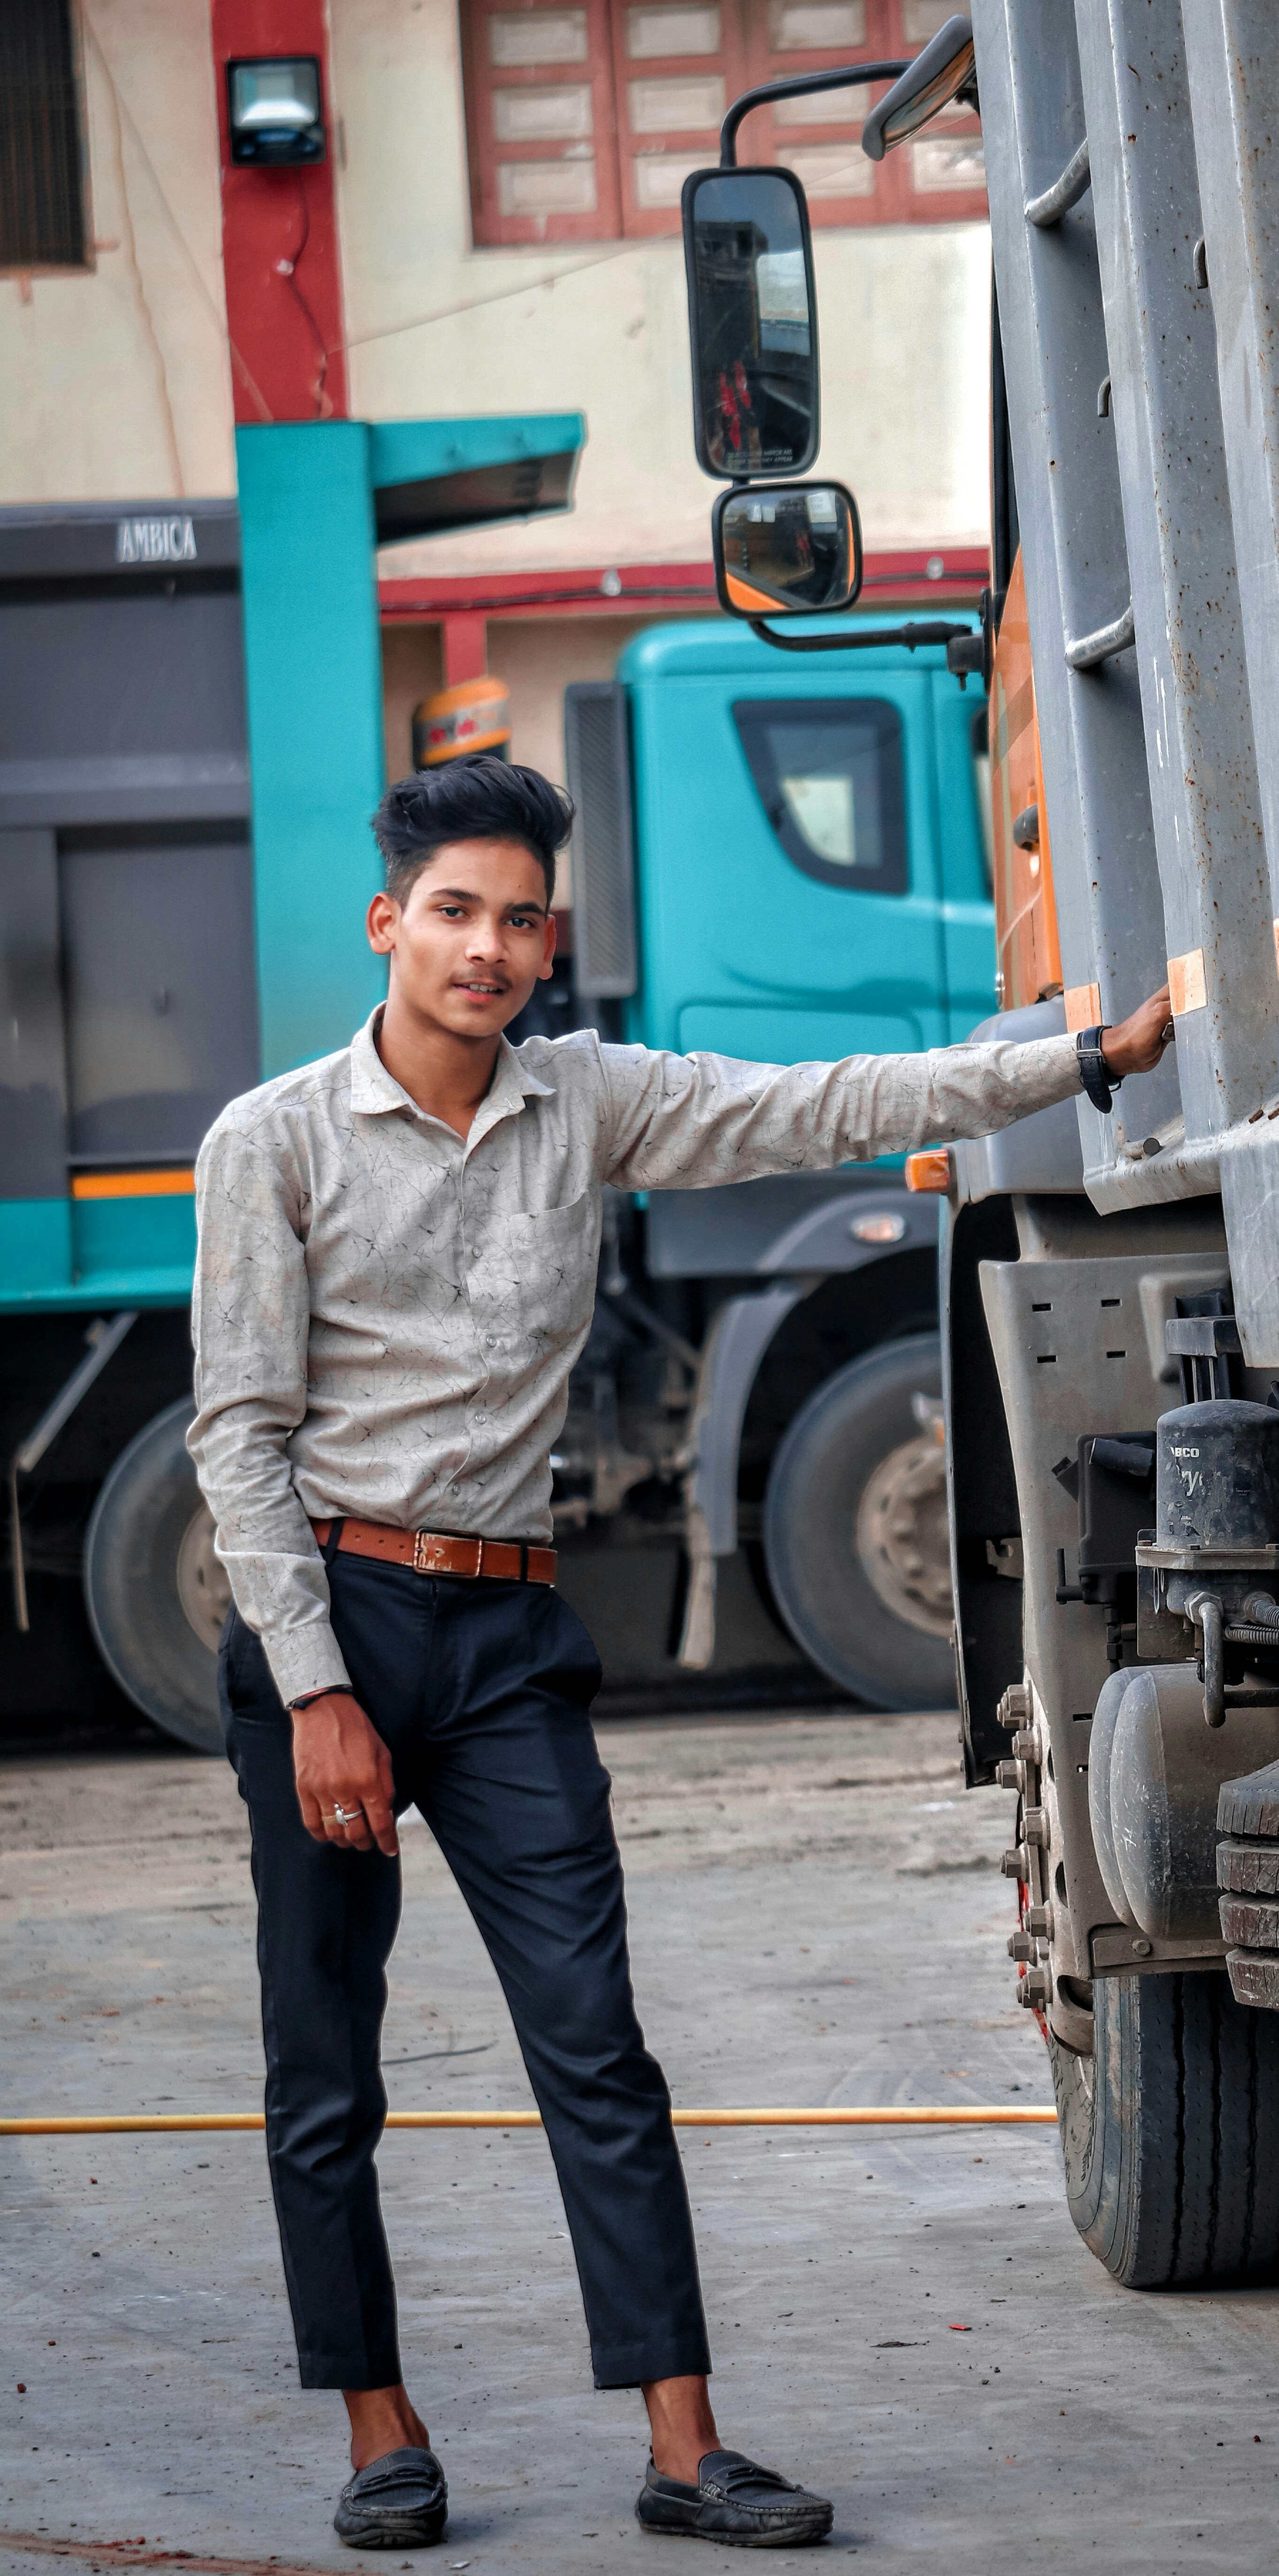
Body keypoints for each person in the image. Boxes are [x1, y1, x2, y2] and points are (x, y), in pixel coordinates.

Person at [188, 755, 1173, 2553]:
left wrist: (1077, 1058)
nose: (485, 948)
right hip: (332, 1626)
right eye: (454, 912)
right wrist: (318, 1689)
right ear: (387, 923)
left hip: (504, 1639)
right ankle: (378, 2430)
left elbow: (834, 1099)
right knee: (325, 2065)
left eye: (518, 920)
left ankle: (683, 2447)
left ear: (550, 944)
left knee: (598, 2048)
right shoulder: (273, 1142)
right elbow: (237, 1435)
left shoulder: (596, 1105)